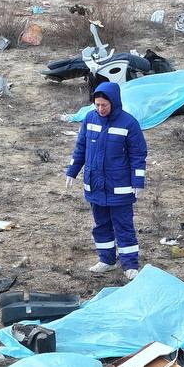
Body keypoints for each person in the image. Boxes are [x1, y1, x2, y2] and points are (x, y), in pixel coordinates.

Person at [64, 80, 147, 280]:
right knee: (101, 224)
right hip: (95, 185)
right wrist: (72, 171)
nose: (100, 109)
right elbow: (81, 148)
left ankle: (129, 265)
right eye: (97, 105)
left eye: (104, 105)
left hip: (120, 187)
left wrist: (138, 182)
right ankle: (107, 260)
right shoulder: (90, 119)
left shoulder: (129, 123)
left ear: (114, 103)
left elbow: (138, 154)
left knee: (123, 225)